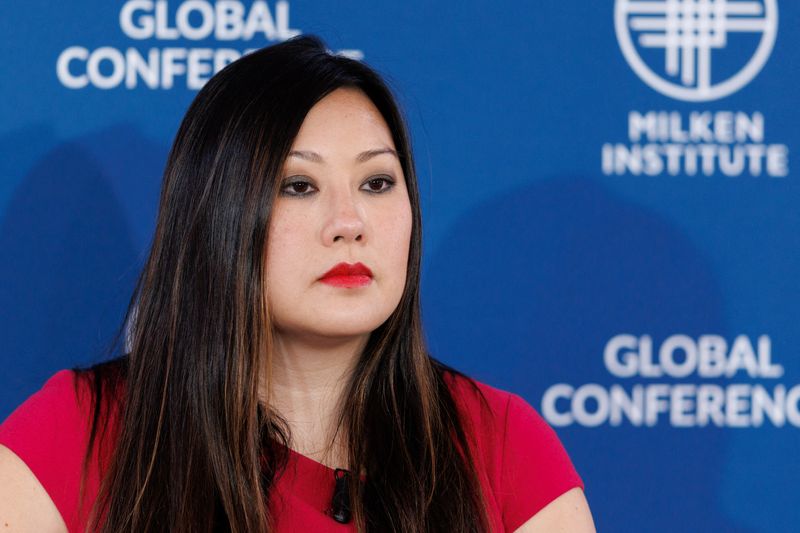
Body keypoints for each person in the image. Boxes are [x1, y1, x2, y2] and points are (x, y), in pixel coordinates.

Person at [0, 36, 595, 532]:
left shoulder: (503, 445)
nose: (349, 224)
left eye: (377, 183)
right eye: (299, 186)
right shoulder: (74, 434)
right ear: (218, 214)